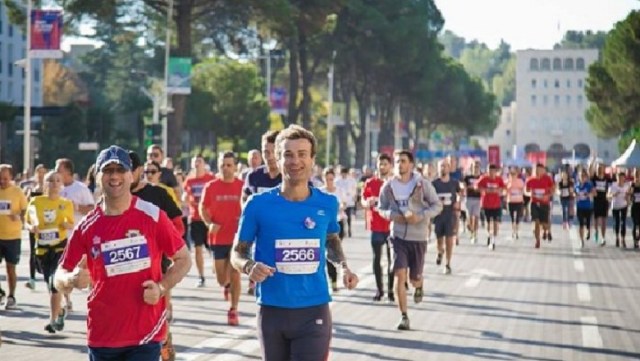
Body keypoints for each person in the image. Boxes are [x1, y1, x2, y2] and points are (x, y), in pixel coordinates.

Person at [230, 125, 359, 361]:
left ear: (312, 160)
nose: (295, 161)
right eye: (288, 154)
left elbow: (331, 240)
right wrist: (249, 267)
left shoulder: (327, 203)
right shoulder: (257, 205)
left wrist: (342, 268)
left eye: (302, 154)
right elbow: (237, 253)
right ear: (277, 160)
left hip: (314, 310)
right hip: (272, 311)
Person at [55, 145, 191, 361]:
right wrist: (70, 279)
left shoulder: (153, 216)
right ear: (98, 176)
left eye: (121, 170)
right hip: (103, 336)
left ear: (132, 175)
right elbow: (59, 275)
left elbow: (184, 259)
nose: (115, 176)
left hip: (145, 335)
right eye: (108, 171)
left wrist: (162, 287)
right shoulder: (87, 227)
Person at [378, 150, 442, 330]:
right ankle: (404, 316)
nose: (400, 164)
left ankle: (419, 285)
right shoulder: (389, 186)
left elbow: (437, 205)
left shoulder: (422, 184)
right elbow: (380, 208)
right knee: (399, 274)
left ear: (411, 165)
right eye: (397, 161)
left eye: (403, 161)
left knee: (414, 279)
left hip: (418, 236)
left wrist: (420, 216)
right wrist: (391, 215)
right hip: (397, 236)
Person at [25, 170, 74, 333]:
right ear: (44, 184)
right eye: (50, 181)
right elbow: (28, 221)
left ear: (62, 184)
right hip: (42, 250)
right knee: (51, 285)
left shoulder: (66, 203)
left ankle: (52, 321)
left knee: (54, 284)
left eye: (57, 181)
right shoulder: (36, 202)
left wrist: (67, 225)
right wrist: (32, 227)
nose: (54, 184)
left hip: (60, 248)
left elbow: (70, 222)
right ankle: (59, 312)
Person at [199, 151, 244, 326]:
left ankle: (233, 309)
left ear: (235, 166)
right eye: (222, 165)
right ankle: (226, 286)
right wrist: (209, 223)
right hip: (218, 238)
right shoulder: (211, 186)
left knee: (235, 274)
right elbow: (203, 208)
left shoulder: (242, 186)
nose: (225, 169)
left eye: (229, 165)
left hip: (238, 238)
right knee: (221, 277)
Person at [242, 130, 282, 295]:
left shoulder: (290, 177)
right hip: (260, 233)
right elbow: (245, 199)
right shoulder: (254, 176)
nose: (270, 156)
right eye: (266, 151)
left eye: (273, 151)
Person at [361, 153, 394, 302]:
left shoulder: (394, 183)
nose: (382, 167)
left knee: (392, 259)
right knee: (377, 259)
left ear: (390, 166)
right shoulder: (370, 183)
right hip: (376, 225)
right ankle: (379, 290)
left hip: (392, 225)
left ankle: (391, 290)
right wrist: (366, 202)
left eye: (385, 164)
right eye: (380, 164)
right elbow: (362, 199)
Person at [183, 154, 216, 287]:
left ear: (204, 164)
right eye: (195, 162)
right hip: (195, 218)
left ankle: (216, 263)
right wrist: (185, 197)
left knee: (211, 247)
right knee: (197, 248)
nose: (197, 164)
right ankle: (201, 276)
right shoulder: (189, 181)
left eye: (199, 162)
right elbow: (184, 195)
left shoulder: (210, 179)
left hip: (208, 218)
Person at [0, 164, 28, 309]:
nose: (2, 181)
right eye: (0, 179)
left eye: (5, 178)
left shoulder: (17, 192)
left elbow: (25, 211)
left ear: (11, 177)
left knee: (11, 268)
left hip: (12, 236)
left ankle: (11, 296)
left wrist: (18, 217)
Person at [319, 167, 347, 292]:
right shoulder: (320, 192)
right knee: (327, 254)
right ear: (323, 179)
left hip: (337, 223)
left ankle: (338, 275)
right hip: (325, 226)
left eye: (331, 179)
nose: (329, 181)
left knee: (335, 252)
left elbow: (344, 204)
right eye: (327, 179)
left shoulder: (339, 191)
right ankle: (333, 280)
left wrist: (340, 207)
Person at [431, 159, 461, 275]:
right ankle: (440, 251)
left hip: (450, 214)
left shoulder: (454, 183)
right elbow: (429, 198)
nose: (443, 168)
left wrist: (458, 202)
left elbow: (459, 194)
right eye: (441, 166)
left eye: (445, 166)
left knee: (449, 240)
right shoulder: (434, 184)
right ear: (438, 169)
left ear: (449, 168)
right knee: (439, 240)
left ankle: (448, 264)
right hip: (439, 215)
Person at [24, 164, 47, 290]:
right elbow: (27, 206)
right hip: (34, 223)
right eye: (39, 173)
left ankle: (47, 274)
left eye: (43, 173)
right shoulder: (31, 188)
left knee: (46, 250)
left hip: (47, 224)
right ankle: (32, 278)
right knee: (33, 251)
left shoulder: (50, 189)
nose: (41, 175)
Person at [525, 164, 555, 249]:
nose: (539, 171)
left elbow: (553, 189)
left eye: (541, 170)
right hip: (534, 203)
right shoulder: (530, 179)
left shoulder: (547, 179)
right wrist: (529, 193)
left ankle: (547, 231)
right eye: (537, 170)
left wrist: (548, 195)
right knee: (536, 222)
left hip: (544, 203)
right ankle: (537, 240)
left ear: (544, 170)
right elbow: (526, 191)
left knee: (544, 224)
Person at [476, 164, 505, 250]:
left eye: (493, 171)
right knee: (488, 223)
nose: (491, 173)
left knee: (495, 222)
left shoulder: (499, 179)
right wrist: (485, 190)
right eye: (489, 171)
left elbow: (503, 188)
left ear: (496, 172)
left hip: (496, 204)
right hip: (486, 204)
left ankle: (493, 240)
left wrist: (498, 191)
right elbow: (477, 187)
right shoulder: (483, 179)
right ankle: (489, 235)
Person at [590, 163, 612, 246]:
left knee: (604, 220)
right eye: (598, 168)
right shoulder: (594, 178)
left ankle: (603, 238)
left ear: (604, 169)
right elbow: (590, 172)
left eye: (601, 168)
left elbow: (610, 187)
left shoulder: (607, 178)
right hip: (596, 201)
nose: (600, 169)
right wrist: (592, 162)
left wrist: (609, 195)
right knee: (596, 219)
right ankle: (596, 231)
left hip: (604, 201)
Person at [608, 172, 631, 248]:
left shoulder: (626, 186)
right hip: (615, 206)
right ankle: (617, 237)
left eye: (622, 178)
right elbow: (608, 196)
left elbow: (629, 195)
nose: (620, 179)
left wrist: (627, 199)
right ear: (617, 178)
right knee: (617, 222)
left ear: (624, 178)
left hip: (624, 205)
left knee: (623, 223)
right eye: (619, 178)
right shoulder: (613, 185)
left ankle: (623, 239)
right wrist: (613, 195)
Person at [463, 162, 482, 244]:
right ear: (471, 168)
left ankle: (475, 235)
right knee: (469, 218)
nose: (476, 168)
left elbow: (482, 187)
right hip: (469, 198)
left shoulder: (481, 177)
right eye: (474, 167)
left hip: (478, 199)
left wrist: (477, 188)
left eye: (477, 167)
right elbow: (464, 186)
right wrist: (472, 187)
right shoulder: (467, 177)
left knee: (476, 218)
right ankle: (471, 230)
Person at [335, 167, 358, 237]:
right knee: (341, 217)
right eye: (342, 174)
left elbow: (354, 189)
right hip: (340, 202)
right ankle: (342, 230)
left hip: (349, 201)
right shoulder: (337, 181)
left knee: (348, 216)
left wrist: (354, 196)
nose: (344, 175)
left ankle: (349, 228)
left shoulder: (351, 180)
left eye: (345, 174)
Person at [575, 171, 595, 248]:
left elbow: (594, 193)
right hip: (579, 206)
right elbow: (573, 193)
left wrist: (589, 194)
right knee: (581, 224)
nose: (582, 177)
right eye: (581, 176)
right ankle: (581, 240)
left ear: (586, 177)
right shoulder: (577, 185)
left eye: (584, 176)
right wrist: (575, 195)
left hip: (588, 207)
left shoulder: (589, 185)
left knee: (588, 223)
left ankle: (588, 230)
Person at [505, 167, 525, 240]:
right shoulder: (507, 181)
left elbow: (523, 190)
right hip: (510, 201)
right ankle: (513, 231)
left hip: (519, 201)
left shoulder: (520, 181)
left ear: (517, 174)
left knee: (517, 218)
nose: (513, 175)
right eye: (511, 174)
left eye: (514, 174)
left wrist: (520, 192)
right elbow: (505, 191)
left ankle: (516, 231)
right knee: (512, 218)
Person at [631, 168, 640, 249]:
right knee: (636, 225)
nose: (637, 177)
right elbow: (629, 195)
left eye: (638, 175)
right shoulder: (632, 185)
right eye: (636, 175)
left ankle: (638, 239)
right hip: (635, 208)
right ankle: (635, 241)